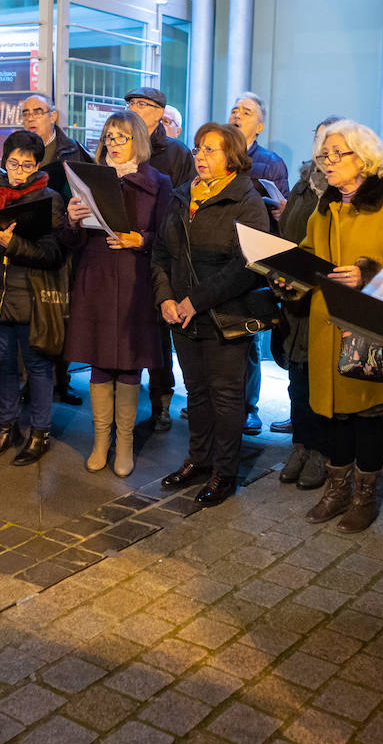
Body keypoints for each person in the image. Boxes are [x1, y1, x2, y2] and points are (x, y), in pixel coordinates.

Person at [285, 119, 383, 533]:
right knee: (335, 417)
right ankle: (337, 488)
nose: (326, 163)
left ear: (361, 158)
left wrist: (367, 272)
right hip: (329, 329)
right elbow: (310, 257)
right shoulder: (324, 206)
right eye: (322, 156)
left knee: (368, 419)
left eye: (335, 154)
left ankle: (364, 498)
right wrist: (287, 277)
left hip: (370, 330)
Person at [154, 123, 270, 506]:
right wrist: (166, 299)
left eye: (210, 151)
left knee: (225, 397)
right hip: (181, 316)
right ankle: (198, 461)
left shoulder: (245, 201)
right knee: (196, 393)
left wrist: (194, 301)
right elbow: (161, 254)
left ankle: (225, 472)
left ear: (231, 157)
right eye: (198, 149)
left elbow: (244, 267)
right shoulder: (181, 196)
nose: (199, 156)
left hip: (223, 316)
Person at [62, 110, 171, 476]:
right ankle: (100, 441)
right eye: (109, 136)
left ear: (137, 140)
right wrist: (73, 218)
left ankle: (123, 444)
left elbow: (167, 239)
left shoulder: (159, 182)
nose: (114, 143)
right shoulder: (88, 179)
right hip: (95, 276)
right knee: (97, 362)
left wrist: (143, 240)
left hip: (135, 280)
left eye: (122, 137)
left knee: (128, 363)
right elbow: (69, 240)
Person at [0, 130, 66, 465]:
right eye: (12, 163)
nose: (19, 170)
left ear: (37, 166)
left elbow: (52, 254)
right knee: (3, 367)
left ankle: (40, 433)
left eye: (26, 164)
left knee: (37, 367)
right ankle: (6, 428)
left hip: (32, 297)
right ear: (3, 162)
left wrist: (12, 244)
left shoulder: (49, 199)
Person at [274, 115, 341, 487]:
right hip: (294, 301)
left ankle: (321, 451)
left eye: (331, 143)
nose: (323, 150)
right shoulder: (302, 187)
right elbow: (286, 239)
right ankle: (300, 445)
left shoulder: (343, 191)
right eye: (318, 141)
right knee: (297, 380)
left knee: (322, 381)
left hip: (326, 304)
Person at [125, 86, 193, 432]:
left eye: (142, 104)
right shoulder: (121, 144)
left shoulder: (177, 153)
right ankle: (126, 396)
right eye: (131, 103)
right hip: (123, 251)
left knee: (159, 333)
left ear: (159, 112)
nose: (134, 108)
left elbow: (182, 203)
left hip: (161, 251)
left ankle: (162, 399)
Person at [19, 93, 93, 405]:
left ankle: (61, 380)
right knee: (33, 313)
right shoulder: (18, 148)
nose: (31, 117)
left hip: (64, 240)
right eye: (26, 113)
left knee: (62, 312)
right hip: (31, 241)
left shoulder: (72, 151)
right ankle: (32, 383)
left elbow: (86, 193)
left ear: (54, 116)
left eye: (38, 111)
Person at [228, 92, 286, 435]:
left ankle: (249, 407)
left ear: (259, 126)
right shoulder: (218, 154)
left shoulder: (270, 161)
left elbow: (282, 210)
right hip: (220, 251)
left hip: (252, 256)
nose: (237, 114)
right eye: (235, 109)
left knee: (246, 333)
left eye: (246, 111)